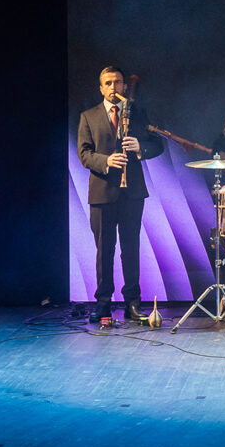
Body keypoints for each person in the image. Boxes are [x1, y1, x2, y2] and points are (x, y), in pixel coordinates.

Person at [76, 65, 165, 324]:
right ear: (100, 88)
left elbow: (157, 145)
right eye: (108, 83)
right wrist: (106, 161)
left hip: (132, 192)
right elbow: (84, 153)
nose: (113, 87)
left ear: (124, 86)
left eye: (117, 82)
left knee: (131, 248)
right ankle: (103, 304)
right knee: (104, 251)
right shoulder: (88, 116)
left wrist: (140, 148)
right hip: (102, 192)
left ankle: (132, 304)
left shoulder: (137, 114)